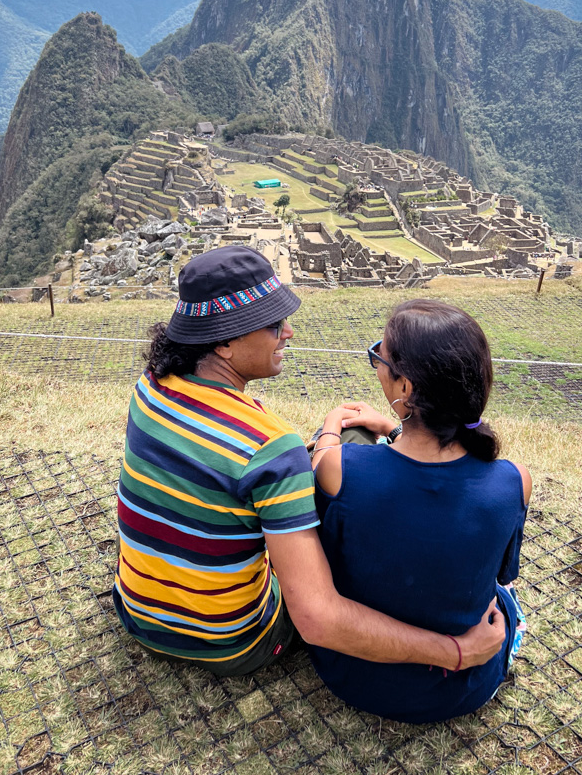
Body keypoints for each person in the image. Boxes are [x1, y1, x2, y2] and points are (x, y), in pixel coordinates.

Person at [113, 246, 505, 676]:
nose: (289, 332)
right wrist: (457, 652)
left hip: (139, 617)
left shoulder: (149, 388)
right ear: (225, 342)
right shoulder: (269, 443)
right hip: (234, 643)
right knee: (351, 451)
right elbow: (318, 621)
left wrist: (324, 437)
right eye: (274, 324)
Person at [308, 299, 531, 722]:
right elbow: (502, 574)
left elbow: (328, 462)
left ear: (405, 388)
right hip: (464, 690)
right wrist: (394, 427)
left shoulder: (341, 470)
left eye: (380, 356)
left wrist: (330, 429)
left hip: (352, 678)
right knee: (506, 597)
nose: (376, 363)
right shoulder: (514, 481)